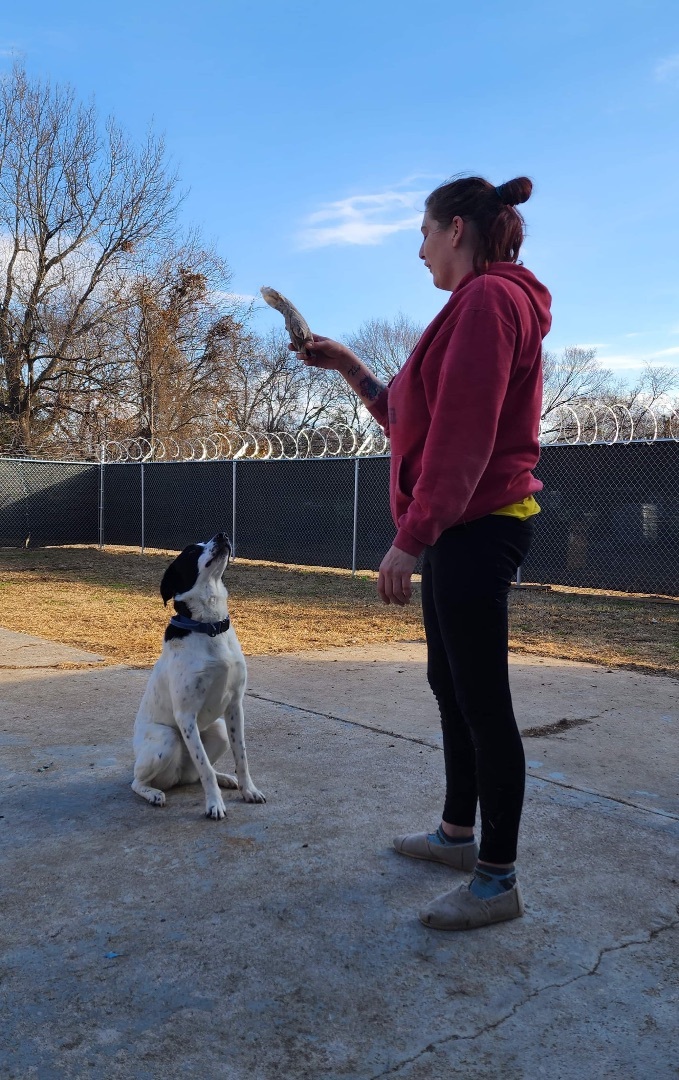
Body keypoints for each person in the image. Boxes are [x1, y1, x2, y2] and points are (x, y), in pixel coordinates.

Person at [295, 175, 551, 930]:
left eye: (424, 232)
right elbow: (408, 416)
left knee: (482, 700)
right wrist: (348, 366)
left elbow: (463, 436)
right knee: (451, 683)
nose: (418, 249)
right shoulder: (469, 309)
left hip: (477, 523)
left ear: (456, 231)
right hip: (458, 525)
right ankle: (456, 836)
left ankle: (496, 879)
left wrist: (411, 538)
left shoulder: (487, 302)